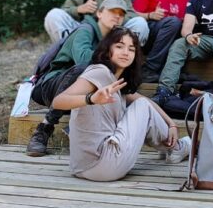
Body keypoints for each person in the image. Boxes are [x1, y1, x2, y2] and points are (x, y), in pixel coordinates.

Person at [52, 26, 190, 182]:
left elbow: (147, 102)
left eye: (131, 49)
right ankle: (176, 148)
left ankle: (172, 146)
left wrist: (171, 124)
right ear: (106, 49)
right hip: (105, 164)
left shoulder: (116, 83)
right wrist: (91, 99)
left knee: (142, 104)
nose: (126, 52)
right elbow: (58, 102)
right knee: (142, 105)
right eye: (119, 46)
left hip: (82, 168)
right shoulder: (99, 72)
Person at [27, 0, 129, 157]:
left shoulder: (113, 41)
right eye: (112, 11)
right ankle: (45, 128)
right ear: (100, 13)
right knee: (85, 69)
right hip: (51, 87)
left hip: (77, 95)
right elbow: (82, 59)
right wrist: (112, 60)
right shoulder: (85, 30)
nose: (117, 16)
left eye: (121, 14)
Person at [132, 0, 191, 83]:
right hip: (150, 36)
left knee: (182, 26)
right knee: (174, 22)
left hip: (172, 39)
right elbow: (131, 14)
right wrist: (150, 15)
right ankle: (149, 69)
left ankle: (176, 71)